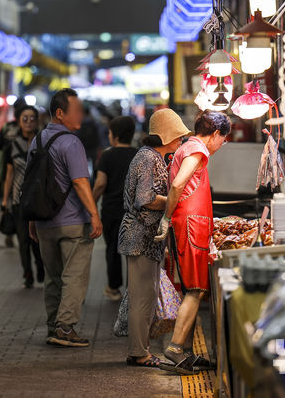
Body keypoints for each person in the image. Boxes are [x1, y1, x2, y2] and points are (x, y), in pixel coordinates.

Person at [156, 110, 231, 375]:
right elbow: (177, 185)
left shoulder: (189, 147)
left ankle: (186, 353)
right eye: (223, 139)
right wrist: (165, 218)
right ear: (215, 134)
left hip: (189, 224)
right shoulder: (197, 151)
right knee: (196, 289)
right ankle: (175, 348)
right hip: (190, 224)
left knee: (191, 287)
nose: (222, 144)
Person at [28, 88, 103, 347]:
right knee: (75, 276)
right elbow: (81, 182)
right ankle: (65, 327)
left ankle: (53, 326)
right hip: (72, 222)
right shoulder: (71, 142)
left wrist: (31, 220)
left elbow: (30, 185)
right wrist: (95, 214)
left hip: (44, 223)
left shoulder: (37, 141)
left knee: (54, 277)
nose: (80, 114)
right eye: (75, 110)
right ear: (60, 114)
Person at [118, 109, 190, 368]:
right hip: (140, 236)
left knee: (144, 295)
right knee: (142, 297)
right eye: (178, 135)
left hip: (145, 238)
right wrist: (175, 202)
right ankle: (139, 352)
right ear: (167, 135)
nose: (181, 140)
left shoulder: (153, 157)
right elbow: (145, 199)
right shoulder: (149, 158)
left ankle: (140, 349)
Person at [92, 116, 138, 301]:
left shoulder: (108, 155)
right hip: (134, 212)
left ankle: (113, 288)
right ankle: (132, 289)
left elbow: (100, 184)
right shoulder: (138, 154)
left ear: (115, 136)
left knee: (112, 248)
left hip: (111, 210)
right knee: (133, 252)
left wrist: (91, 203)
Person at [2, 106, 45, 288]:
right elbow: (9, 174)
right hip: (19, 200)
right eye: (24, 119)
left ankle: (40, 267)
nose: (28, 122)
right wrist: (5, 200)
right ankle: (27, 273)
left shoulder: (44, 142)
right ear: (19, 121)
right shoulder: (12, 146)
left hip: (39, 199)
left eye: (32, 118)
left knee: (38, 239)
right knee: (23, 239)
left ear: (37, 121)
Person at [0, 98, 28, 248]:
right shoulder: (30, 128)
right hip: (23, 171)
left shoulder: (7, 127)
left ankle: (10, 231)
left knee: (8, 200)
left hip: (6, 169)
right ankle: (23, 230)